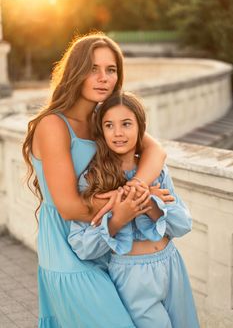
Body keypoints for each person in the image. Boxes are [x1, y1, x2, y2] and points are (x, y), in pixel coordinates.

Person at [22, 32, 169, 328]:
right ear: (75, 72)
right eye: (93, 69)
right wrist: (129, 203)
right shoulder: (54, 125)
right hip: (67, 253)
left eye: (111, 69)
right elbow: (68, 207)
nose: (103, 78)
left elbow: (156, 149)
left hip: (106, 245)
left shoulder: (103, 120)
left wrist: (134, 187)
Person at [68, 92, 200, 328]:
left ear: (141, 128)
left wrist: (149, 203)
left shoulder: (157, 171)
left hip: (171, 264)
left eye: (126, 124)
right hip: (132, 277)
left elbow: (183, 225)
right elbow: (81, 246)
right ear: (102, 131)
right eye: (109, 125)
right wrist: (118, 219)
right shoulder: (92, 179)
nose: (118, 133)